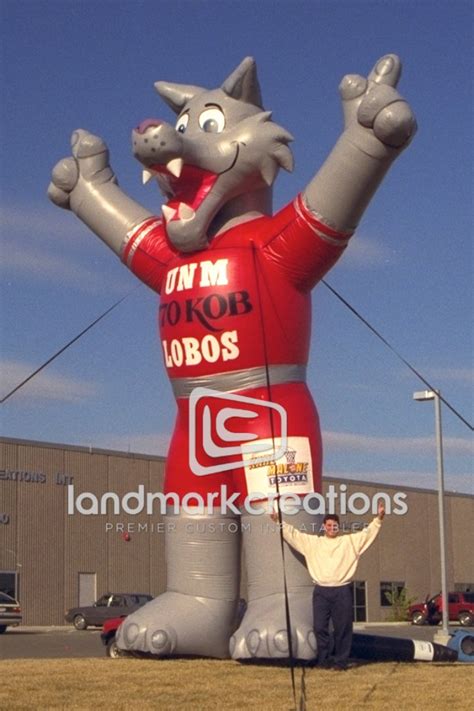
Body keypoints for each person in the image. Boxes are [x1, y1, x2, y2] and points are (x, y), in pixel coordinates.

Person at [271, 502, 385, 670]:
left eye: (335, 525)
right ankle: (323, 660)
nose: (332, 528)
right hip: (321, 591)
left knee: (343, 628)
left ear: (338, 527)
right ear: (324, 526)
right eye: (329, 525)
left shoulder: (349, 542)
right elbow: (293, 535)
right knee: (319, 627)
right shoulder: (313, 543)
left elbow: (367, 534)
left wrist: (379, 518)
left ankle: (340, 662)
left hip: (342, 590)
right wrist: (278, 521)